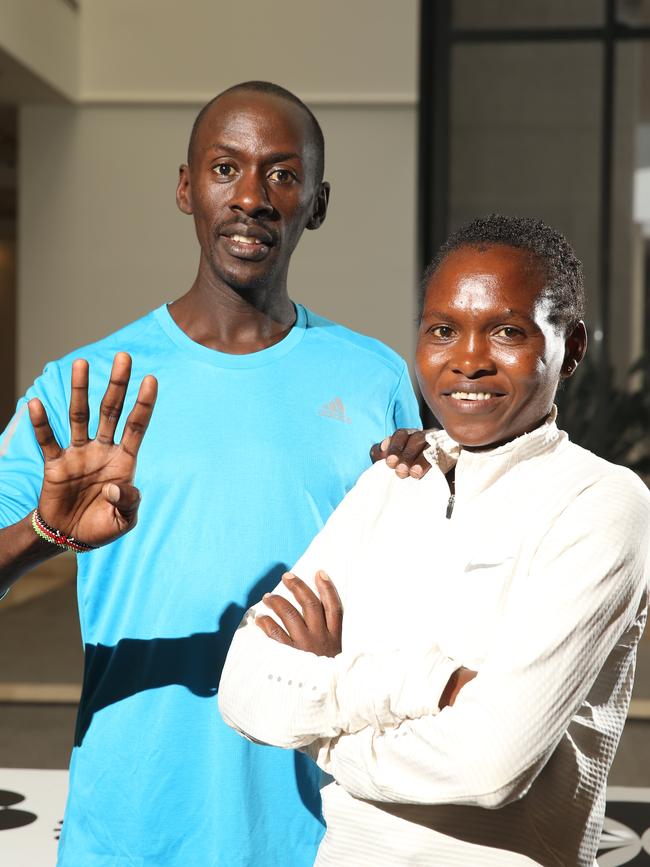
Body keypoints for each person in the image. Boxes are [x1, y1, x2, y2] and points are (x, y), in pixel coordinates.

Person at [0, 81, 428, 867]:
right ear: (185, 187)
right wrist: (46, 531)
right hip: (134, 833)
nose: (253, 198)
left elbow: (422, 594)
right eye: (225, 168)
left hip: (320, 832)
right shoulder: (89, 384)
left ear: (317, 202)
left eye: (283, 174)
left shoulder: (377, 378)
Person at [219, 214, 650, 867]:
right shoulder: (392, 482)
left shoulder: (602, 504)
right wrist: (430, 684)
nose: (468, 358)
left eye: (507, 330)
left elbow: (490, 766)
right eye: (443, 329)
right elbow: (242, 684)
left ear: (574, 347)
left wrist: (316, 730)